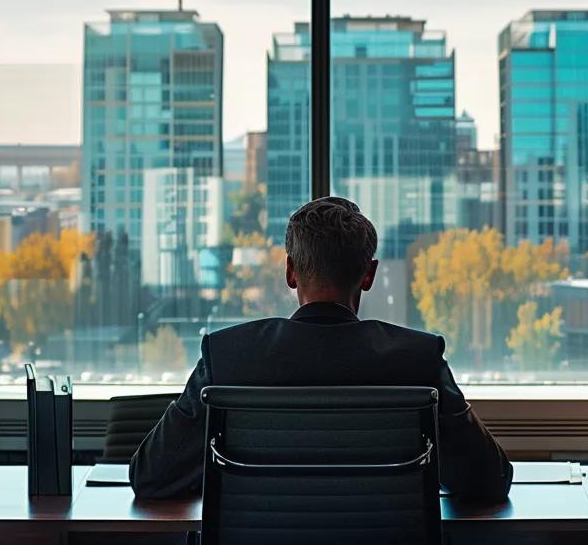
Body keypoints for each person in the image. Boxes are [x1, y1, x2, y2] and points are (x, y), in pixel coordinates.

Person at [129, 197, 512, 502]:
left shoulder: (228, 356)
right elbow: (490, 481)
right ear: (369, 275)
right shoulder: (418, 359)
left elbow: (151, 477)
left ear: (290, 271)